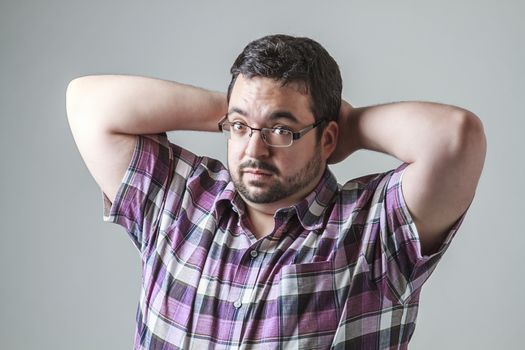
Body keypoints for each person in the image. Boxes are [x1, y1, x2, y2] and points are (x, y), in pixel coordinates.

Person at [66, 34, 486, 349]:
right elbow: (88, 104)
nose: (253, 148)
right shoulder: (180, 200)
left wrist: (350, 124)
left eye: (281, 130)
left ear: (327, 140)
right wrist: (239, 107)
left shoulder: (371, 231)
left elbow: (455, 137)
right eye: (240, 129)